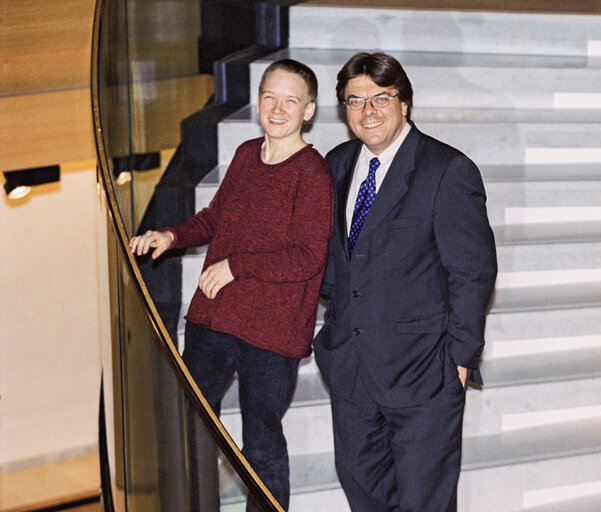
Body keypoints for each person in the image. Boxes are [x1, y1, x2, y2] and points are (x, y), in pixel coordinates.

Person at [130, 59, 333, 510]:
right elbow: (216, 218)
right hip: (214, 319)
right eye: (269, 97)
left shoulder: (313, 175)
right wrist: (172, 235)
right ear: (257, 101)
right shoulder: (245, 154)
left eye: (291, 100)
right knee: (192, 429)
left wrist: (237, 265)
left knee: (260, 447)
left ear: (309, 110)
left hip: (270, 335)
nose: (278, 109)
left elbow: (307, 258)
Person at [313, 52, 497, 512]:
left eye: (381, 98)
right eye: (355, 101)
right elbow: (333, 261)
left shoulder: (446, 170)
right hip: (352, 372)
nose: (368, 111)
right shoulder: (335, 164)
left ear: (405, 104)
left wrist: (459, 357)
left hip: (424, 374)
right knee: (366, 497)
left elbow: (473, 272)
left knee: (423, 503)